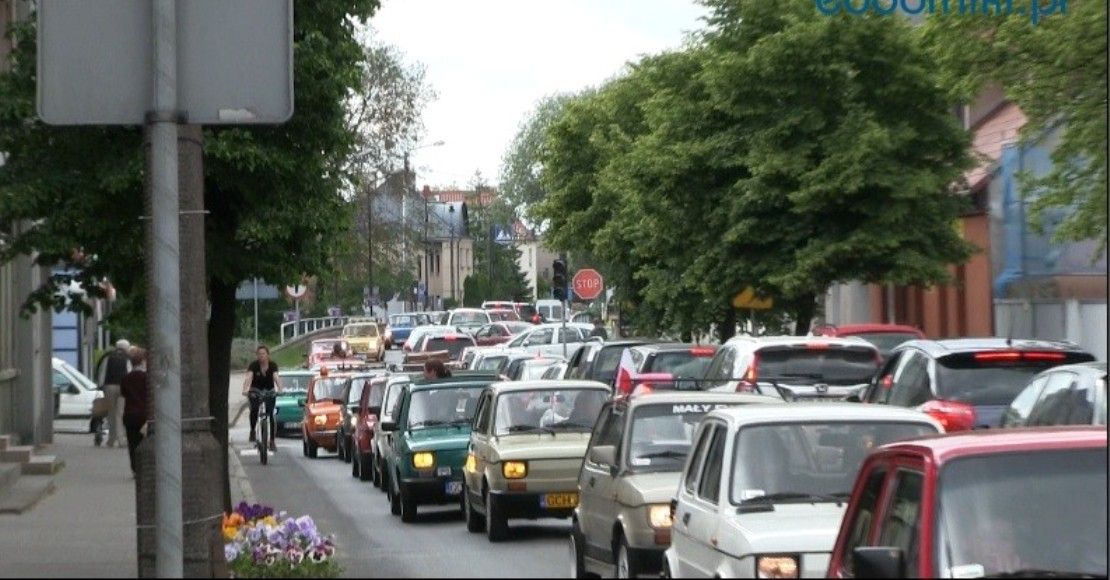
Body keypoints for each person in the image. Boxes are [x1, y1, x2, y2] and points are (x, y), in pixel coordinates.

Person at [241, 346, 284, 451]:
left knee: (271, 415)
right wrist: (245, 389)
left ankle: (272, 441)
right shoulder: (254, 365)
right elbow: (248, 377)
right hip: (255, 391)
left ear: (268, 355)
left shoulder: (272, 365)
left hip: (269, 391)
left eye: (263, 354)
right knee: (254, 410)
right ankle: (252, 430)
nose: (261, 356)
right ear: (257, 355)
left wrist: (280, 389)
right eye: (259, 354)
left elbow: (276, 377)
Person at [96, 339, 132, 448]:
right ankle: (121, 440)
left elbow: (102, 372)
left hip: (109, 386)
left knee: (111, 413)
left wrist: (100, 386)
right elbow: (129, 373)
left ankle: (111, 440)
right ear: (126, 348)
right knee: (120, 413)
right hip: (123, 387)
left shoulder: (107, 357)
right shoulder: (127, 358)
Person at [119, 348, 149, 477]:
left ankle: (135, 469)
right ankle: (145, 467)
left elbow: (123, 394)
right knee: (146, 442)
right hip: (144, 415)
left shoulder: (126, 378)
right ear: (142, 362)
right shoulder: (147, 378)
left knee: (132, 444)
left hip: (130, 415)